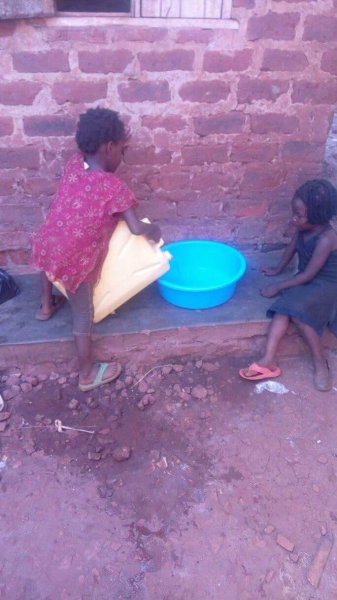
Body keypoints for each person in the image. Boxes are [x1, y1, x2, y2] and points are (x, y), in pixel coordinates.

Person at [31, 107, 161, 392]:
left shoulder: (74, 164)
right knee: (83, 315)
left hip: (48, 243)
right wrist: (155, 230)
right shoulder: (115, 188)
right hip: (77, 260)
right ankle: (86, 373)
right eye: (123, 152)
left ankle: (45, 306)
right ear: (109, 147)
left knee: (50, 252)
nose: (123, 159)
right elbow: (137, 229)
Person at [239, 179, 337, 391]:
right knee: (282, 309)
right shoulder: (302, 228)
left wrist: (279, 286)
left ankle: (320, 361)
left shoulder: (327, 238)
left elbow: (310, 275)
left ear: (318, 217)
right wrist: (277, 270)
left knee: (297, 313)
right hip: (307, 278)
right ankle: (268, 360)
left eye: (299, 215)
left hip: (326, 285)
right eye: (294, 212)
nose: (294, 218)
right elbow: (291, 249)